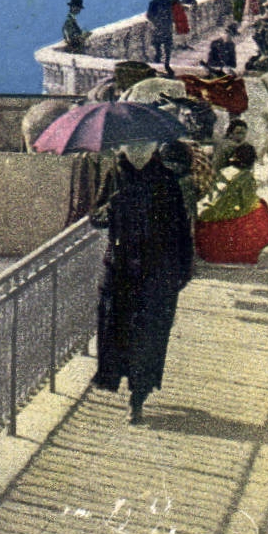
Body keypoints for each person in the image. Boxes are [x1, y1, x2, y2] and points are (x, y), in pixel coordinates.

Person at [90, 140, 195, 423]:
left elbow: (180, 229)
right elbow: (95, 217)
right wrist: (112, 207)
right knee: (121, 332)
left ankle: (138, 398)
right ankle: (131, 390)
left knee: (149, 336)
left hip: (155, 272)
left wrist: (183, 269)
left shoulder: (165, 180)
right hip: (121, 271)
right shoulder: (115, 175)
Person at [195, 144, 268, 265]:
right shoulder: (245, 177)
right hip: (219, 217)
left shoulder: (225, 170)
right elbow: (248, 202)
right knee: (260, 208)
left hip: (205, 213)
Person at [146, 0, 175, 73]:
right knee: (167, 46)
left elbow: (149, 15)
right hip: (166, 27)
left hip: (159, 27)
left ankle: (160, 60)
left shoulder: (153, 2)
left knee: (158, 45)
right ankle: (166, 64)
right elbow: (173, 14)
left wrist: (156, 22)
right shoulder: (168, 2)